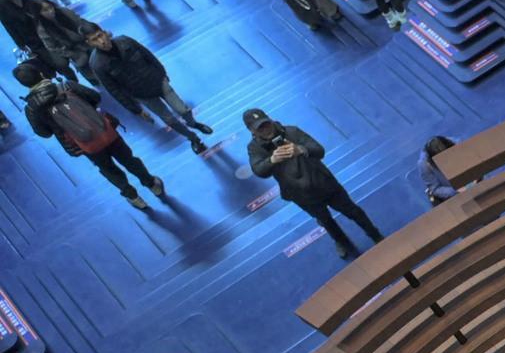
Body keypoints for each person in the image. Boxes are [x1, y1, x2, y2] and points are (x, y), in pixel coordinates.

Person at [16, 61, 164, 209]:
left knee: (107, 168)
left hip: (82, 143)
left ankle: (133, 197)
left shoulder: (32, 109)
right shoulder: (65, 86)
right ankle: (152, 184)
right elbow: (94, 96)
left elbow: (43, 133)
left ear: (24, 85)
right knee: (128, 159)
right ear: (40, 74)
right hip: (104, 130)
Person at [244, 107, 384, 259]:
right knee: (326, 222)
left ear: (270, 119)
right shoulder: (254, 148)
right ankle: (342, 242)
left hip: (324, 184)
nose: (265, 129)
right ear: (252, 130)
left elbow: (319, 150)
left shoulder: (292, 132)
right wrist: (272, 160)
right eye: (260, 128)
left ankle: (375, 234)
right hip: (300, 194)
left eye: (266, 124)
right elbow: (259, 170)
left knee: (353, 211)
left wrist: (301, 149)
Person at [85, 27, 213, 153]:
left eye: (100, 35)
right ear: (90, 43)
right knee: (169, 119)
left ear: (104, 33)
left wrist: (162, 73)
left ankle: (193, 123)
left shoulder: (125, 41)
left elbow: (148, 55)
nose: (101, 41)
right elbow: (113, 90)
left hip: (157, 80)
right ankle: (193, 138)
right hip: (141, 93)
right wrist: (136, 110)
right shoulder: (97, 64)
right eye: (95, 40)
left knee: (182, 109)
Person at [25, 0, 102, 86]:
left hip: (88, 42)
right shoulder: (42, 29)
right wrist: (69, 53)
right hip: (75, 54)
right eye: (45, 10)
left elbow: (81, 22)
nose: (50, 11)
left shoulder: (65, 12)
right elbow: (52, 47)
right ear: (38, 13)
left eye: (50, 7)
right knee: (93, 76)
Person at [0, 0, 51, 71]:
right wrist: (21, 44)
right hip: (33, 40)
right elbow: (9, 27)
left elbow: (49, 6)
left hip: (50, 31)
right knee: (56, 64)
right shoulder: (3, 7)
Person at [421, 135, 457, 205]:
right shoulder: (424, 165)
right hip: (453, 193)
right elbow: (435, 189)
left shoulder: (456, 144)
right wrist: (455, 190)